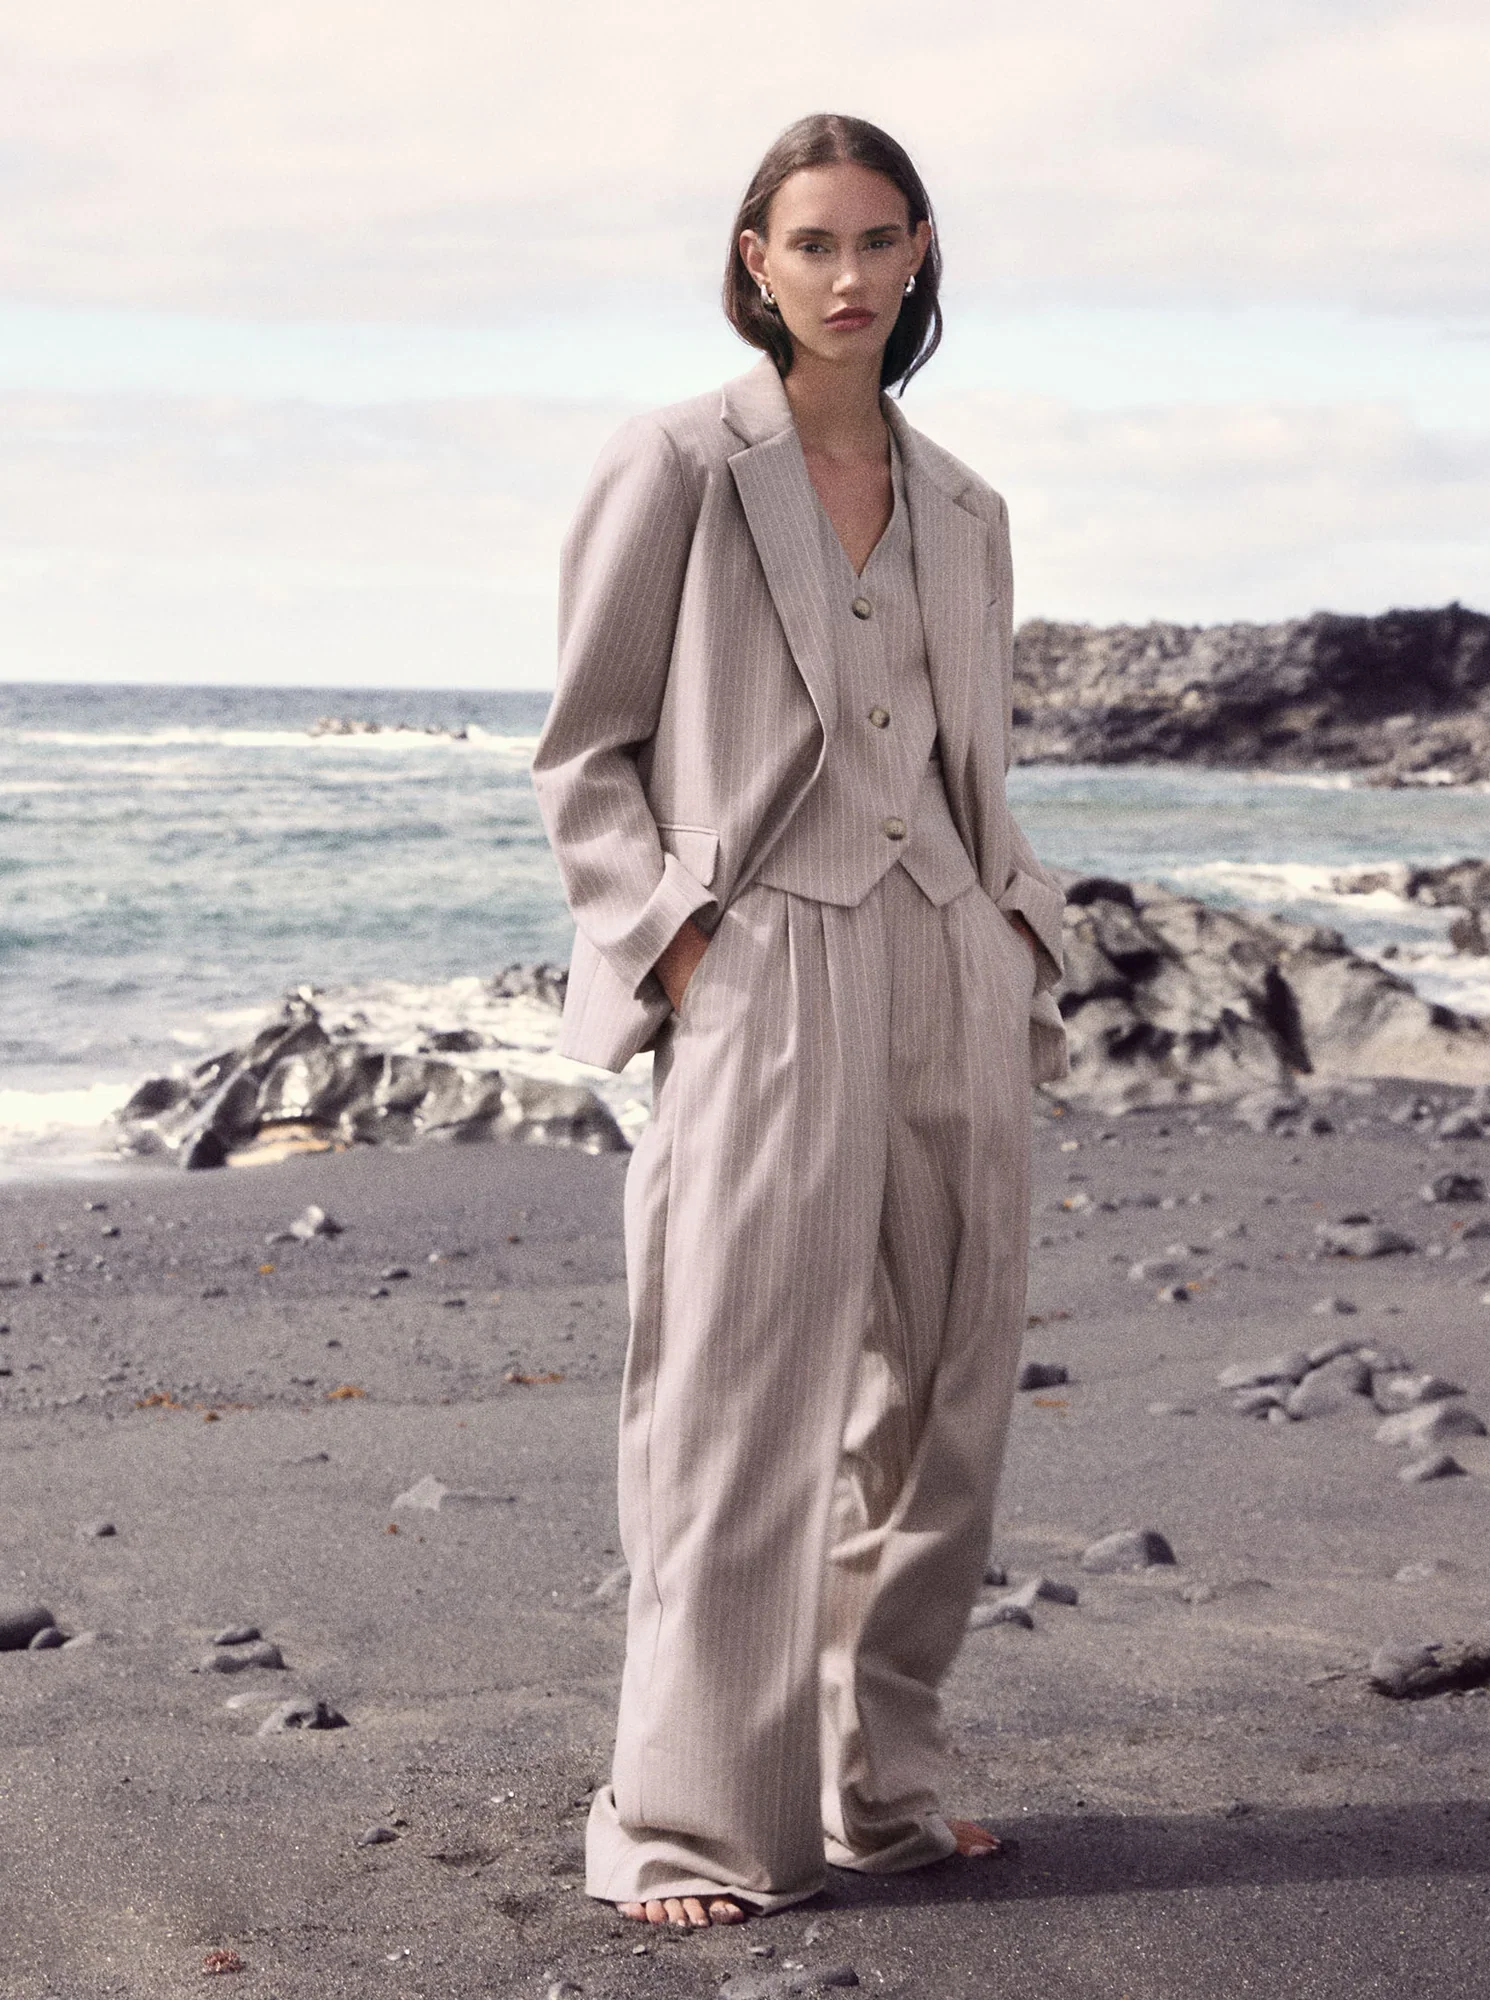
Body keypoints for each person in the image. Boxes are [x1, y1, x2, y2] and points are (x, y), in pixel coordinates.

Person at [531, 111, 1069, 1929]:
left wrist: (1008, 936)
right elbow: (585, 755)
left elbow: (970, 759)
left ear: (921, 259)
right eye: (813, 242)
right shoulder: (679, 464)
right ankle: (690, 1825)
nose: (849, 275)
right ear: (754, 263)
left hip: (952, 960)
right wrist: (682, 945)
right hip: (764, 964)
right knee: (738, 1400)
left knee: (948, 1405)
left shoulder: (972, 509)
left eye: (879, 240)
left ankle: (879, 1790)